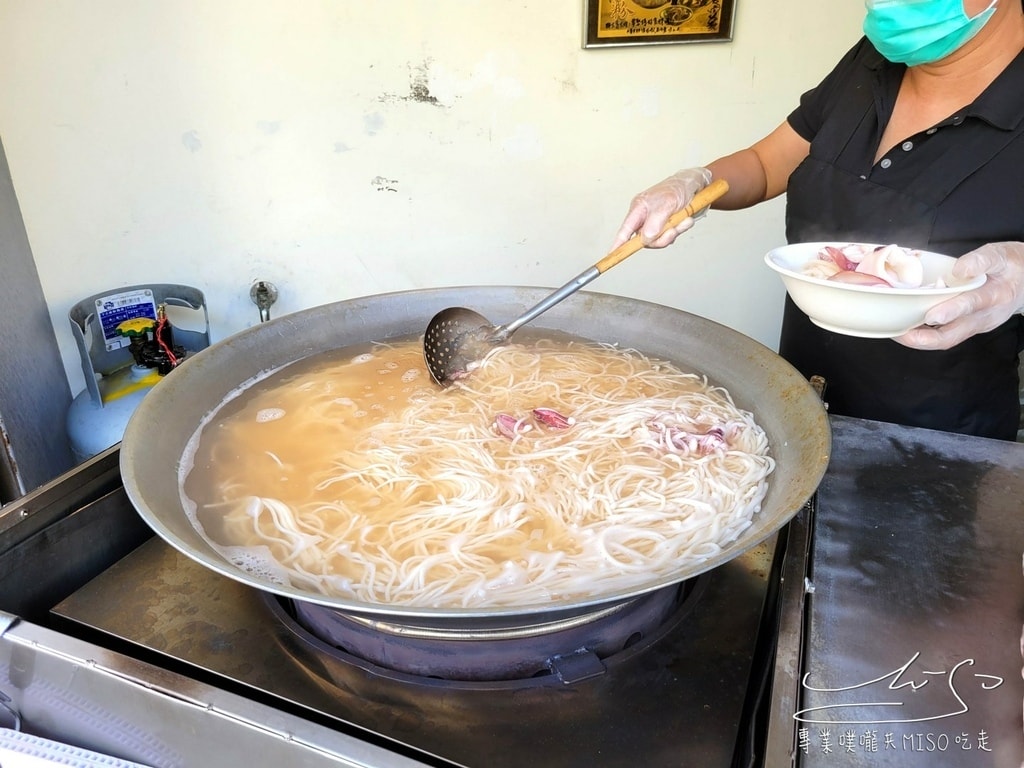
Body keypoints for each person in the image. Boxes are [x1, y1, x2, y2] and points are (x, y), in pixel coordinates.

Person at [612, 0, 1024, 441]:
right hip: (804, 392)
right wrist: (696, 182)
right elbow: (767, 163)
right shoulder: (873, 60)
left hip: (938, 437)